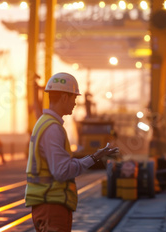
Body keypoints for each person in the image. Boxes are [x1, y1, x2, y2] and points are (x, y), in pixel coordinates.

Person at [25, 72, 119, 232]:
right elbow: (62, 171)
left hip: (50, 203)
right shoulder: (53, 128)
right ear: (63, 97)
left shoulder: (44, 123)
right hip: (51, 205)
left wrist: (95, 156)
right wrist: (91, 159)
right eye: (73, 98)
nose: (75, 103)